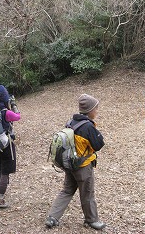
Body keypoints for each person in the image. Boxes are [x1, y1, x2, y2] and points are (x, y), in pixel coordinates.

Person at [45, 94, 106, 230]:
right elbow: (98, 145)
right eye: (96, 108)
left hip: (69, 164)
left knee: (67, 190)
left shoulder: (71, 121)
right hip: (83, 166)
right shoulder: (88, 127)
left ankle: (52, 217)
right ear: (89, 110)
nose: (97, 111)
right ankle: (92, 220)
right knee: (87, 194)